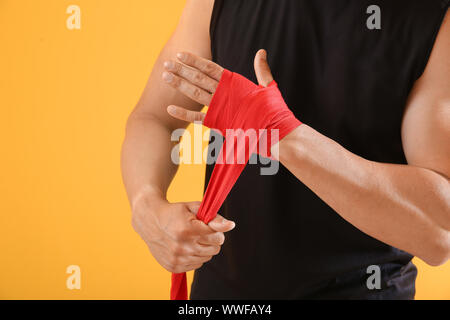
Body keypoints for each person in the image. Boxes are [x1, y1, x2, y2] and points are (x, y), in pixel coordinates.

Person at [121, 0, 450, 299]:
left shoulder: (432, 20)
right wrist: (147, 205)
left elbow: (438, 233)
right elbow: (155, 117)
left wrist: (284, 136)